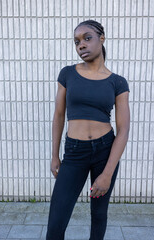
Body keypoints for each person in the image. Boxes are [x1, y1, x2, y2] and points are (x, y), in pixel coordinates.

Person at [46, 19, 130, 240]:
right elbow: (58, 115)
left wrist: (108, 173)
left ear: (102, 39)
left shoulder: (118, 82)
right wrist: (55, 155)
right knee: (56, 220)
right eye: (76, 41)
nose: (80, 45)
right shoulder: (68, 74)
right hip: (74, 152)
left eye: (87, 38)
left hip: (105, 151)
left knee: (99, 214)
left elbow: (123, 130)